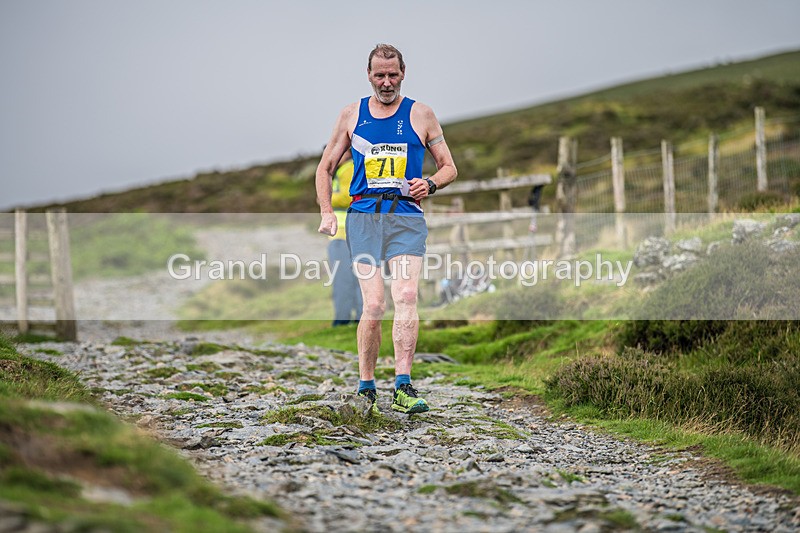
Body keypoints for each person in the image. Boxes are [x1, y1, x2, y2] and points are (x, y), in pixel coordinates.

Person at [315, 43, 457, 415]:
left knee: (407, 295)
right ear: (369, 75)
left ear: (403, 73)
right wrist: (328, 212)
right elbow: (325, 168)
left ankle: (404, 386)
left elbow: (449, 167)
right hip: (363, 218)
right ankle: (366, 387)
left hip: (406, 217)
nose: (387, 82)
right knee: (374, 304)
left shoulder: (422, 114)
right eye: (380, 75)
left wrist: (431, 184)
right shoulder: (351, 114)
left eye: (393, 74)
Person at [328, 152, 363, 326]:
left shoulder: (348, 169)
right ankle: (357, 318)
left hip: (343, 234)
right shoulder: (348, 168)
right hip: (349, 232)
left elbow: (350, 196)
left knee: (343, 278)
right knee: (357, 277)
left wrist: (325, 197)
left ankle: (343, 320)